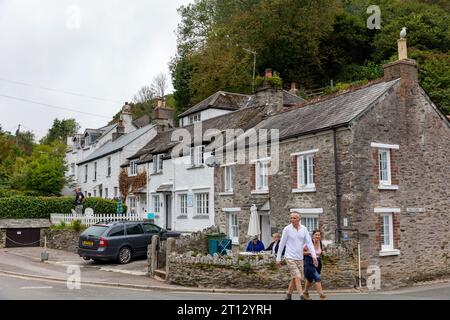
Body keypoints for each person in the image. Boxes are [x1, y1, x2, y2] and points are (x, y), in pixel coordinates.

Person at [276, 212, 318, 300]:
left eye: (294, 218)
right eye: (291, 218)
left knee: (295, 277)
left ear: (299, 219)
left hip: (300, 258)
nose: (292, 220)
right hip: (289, 257)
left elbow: (309, 243)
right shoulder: (287, 229)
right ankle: (302, 296)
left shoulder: (304, 229)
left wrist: (314, 256)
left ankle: (288, 295)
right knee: (297, 276)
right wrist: (278, 258)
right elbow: (282, 243)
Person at [303, 230, 327, 300]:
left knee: (310, 279)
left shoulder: (320, 243)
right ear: (313, 235)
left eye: (319, 235)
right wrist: (310, 252)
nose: (317, 236)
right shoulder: (309, 243)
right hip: (309, 261)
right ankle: (322, 296)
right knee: (317, 277)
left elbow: (319, 251)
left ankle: (305, 293)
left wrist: (322, 252)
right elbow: (301, 252)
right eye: (316, 235)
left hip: (318, 262)